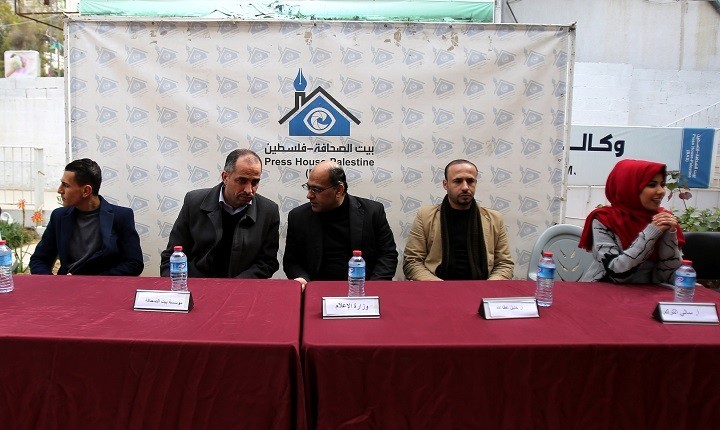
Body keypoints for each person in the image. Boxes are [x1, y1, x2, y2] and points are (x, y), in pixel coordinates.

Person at [160, 149, 279, 278]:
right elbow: (172, 256)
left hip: (243, 286)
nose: (249, 190)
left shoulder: (268, 211)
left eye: (255, 182)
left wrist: (236, 285)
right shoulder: (194, 202)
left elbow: (267, 263)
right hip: (197, 284)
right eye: (241, 181)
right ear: (225, 177)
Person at [283, 160, 398, 287]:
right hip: (315, 289)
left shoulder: (372, 212)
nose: (309, 195)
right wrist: (303, 279)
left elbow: (387, 255)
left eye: (316, 189)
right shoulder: (298, 217)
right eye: (308, 187)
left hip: (361, 289)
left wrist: (373, 287)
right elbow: (291, 262)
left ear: (339, 190)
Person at [403, 159, 514, 281]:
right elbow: (412, 262)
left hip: (482, 286)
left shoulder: (495, 219)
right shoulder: (425, 216)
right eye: (458, 181)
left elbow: (504, 264)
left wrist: (487, 287)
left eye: (470, 181)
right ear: (445, 184)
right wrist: (440, 287)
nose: (465, 187)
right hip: (437, 286)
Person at [29, 158, 144, 275]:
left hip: (103, 284)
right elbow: (39, 260)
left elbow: (134, 263)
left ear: (86, 191)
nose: (59, 190)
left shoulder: (121, 217)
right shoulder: (58, 216)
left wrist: (95, 281)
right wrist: (53, 282)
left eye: (66, 185)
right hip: (66, 284)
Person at [578, 159, 684, 283]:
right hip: (605, 289)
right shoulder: (605, 219)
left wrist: (669, 235)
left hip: (649, 292)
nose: (661, 191)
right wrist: (651, 233)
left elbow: (670, 277)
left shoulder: (663, 219)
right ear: (629, 187)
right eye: (652, 185)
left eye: (662, 184)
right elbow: (616, 273)